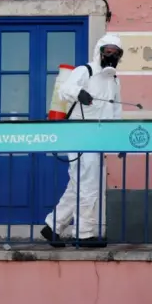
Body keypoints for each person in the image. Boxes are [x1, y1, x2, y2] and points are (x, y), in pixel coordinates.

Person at [41, 33, 124, 248]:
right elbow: (65, 89)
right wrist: (79, 93)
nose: (111, 56)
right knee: (89, 184)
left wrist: (119, 140)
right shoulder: (84, 71)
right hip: (80, 134)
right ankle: (84, 233)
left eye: (116, 52)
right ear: (100, 51)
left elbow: (115, 110)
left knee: (78, 183)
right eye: (108, 51)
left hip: (100, 137)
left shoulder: (114, 80)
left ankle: (53, 225)